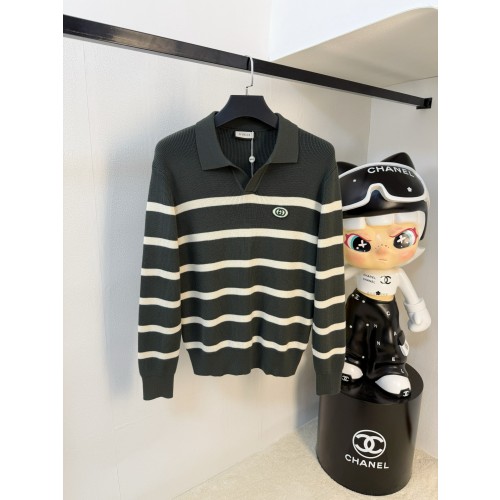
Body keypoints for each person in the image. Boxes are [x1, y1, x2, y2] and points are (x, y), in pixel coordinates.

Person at [337, 153, 431, 397]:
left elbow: (409, 294)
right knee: (353, 334)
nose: (382, 250)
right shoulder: (358, 268)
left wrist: (418, 311)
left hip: (386, 309)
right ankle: (352, 360)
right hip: (357, 305)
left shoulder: (396, 273)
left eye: (400, 239)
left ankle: (388, 368)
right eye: (360, 242)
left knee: (388, 337)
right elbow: (335, 280)